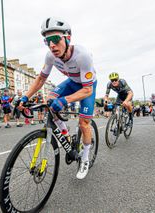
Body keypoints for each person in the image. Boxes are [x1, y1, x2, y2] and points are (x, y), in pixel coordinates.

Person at [19, 17, 97, 179]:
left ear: (68, 38)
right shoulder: (50, 57)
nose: (52, 45)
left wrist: (65, 100)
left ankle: (85, 158)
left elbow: (87, 89)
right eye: (47, 41)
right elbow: (41, 79)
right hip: (71, 82)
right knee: (49, 103)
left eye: (55, 39)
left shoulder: (83, 56)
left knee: (83, 123)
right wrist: (25, 98)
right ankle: (65, 134)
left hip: (86, 86)